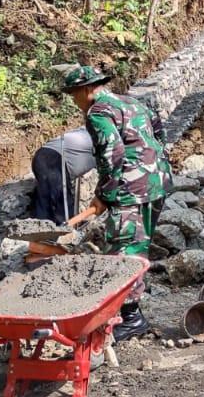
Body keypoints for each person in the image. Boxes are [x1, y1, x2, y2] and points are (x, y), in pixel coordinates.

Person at [61, 64, 172, 342]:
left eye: (74, 95)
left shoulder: (98, 113)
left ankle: (131, 318)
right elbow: (159, 131)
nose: (75, 102)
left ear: (87, 90)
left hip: (130, 189)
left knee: (124, 251)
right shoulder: (130, 101)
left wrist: (105, 194)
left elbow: (112, 153)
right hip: (157, 182)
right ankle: (130, 313)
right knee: (139, 245)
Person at [29, 128, 96, 223]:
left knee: (45, 199)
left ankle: (40, 230)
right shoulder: (102, 137)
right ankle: (62, 232)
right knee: (63, 205)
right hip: (53, 159)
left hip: (44, 156)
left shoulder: (86, 130)